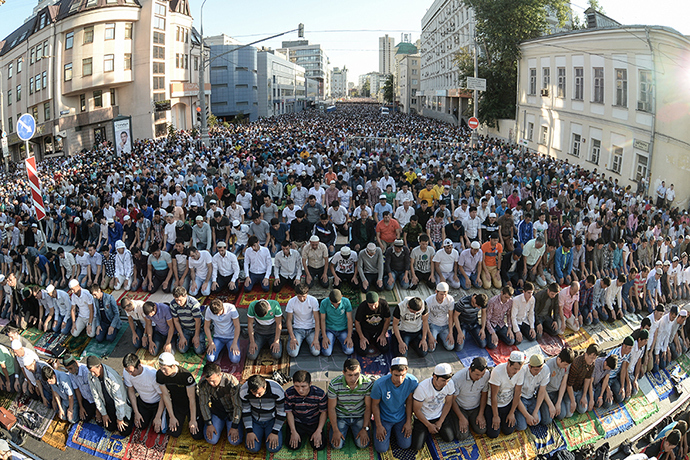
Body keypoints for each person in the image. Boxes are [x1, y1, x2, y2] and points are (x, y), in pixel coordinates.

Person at [371, 357, 418, 453]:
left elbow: (409, 401)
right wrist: (379, 425)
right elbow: (375, 405)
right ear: (390, 371)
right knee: (381, 449)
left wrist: (408, 422)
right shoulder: (380, 384)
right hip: (384, 418)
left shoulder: (412, 381)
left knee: (405, 445)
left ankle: (392, 431)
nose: (400, 379)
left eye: (402, 375)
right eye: (396, 375)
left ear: (406, 371)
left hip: (401, 417)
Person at [327, 358, 373, 449]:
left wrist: (364, 428)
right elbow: (331, 408)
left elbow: (368, 407)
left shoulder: (367, 383)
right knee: (336, 446)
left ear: (360, 371)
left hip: (359, 416)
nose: (353, 378)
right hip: (341, 417)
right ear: (343, 373)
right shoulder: (334, 384)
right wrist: (336, 430)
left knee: (363, 445)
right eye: (350, 375)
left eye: (356, 374)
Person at [411, 363, 456, 451]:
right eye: (443, 380)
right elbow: (416, 410)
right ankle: (428, 430)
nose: (446, 384)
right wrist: (429, 425)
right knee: (417, 447)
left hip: (438, 415)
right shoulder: (422, 388)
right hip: (423, 418)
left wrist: (441, 421)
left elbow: (448, 403)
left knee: (449, 438)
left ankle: (436, 428)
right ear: (435, 377)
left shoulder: (450, 384)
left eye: (447, 380)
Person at [86, 355, 134, 437]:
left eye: (94, 371)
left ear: (100, 367)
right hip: (108, 405)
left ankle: (129, 416)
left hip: (120, 406)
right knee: (108, 426)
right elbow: (96, 396)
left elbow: (120, 400)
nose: (92, 374)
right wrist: (104, 413)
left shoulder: (112, 377)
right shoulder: (91, 376)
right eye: (91, 372)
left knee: (124, 431)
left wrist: (120, 418)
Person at [198, 362, 243, 446]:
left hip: (231, 412)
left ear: (220, 375)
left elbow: (237, 406)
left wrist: (234, 425)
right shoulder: (204, 383)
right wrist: (209, 424)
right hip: (217, 412)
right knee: (212, 440)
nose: (211, 384)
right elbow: (203, 404)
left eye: (213, 381)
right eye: (209, 381)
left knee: (234, 441)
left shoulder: (231, 382)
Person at [240, 374, 286, 453]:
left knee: (273, 448)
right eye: (254, 393)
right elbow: (246, 411)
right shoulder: (244, 391)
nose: (257, 396)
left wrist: (275, 432)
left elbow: (281, 412)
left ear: (265, 386)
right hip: (255, 420)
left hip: (271, 419)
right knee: (252, 448)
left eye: (259, 393)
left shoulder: (277, 390)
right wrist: (249, 431)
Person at [486, 351, 526, 438]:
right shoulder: (497, 372)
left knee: (508, 430)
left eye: (518, 369)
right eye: (514, 369)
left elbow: (517, 393)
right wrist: (495, 416)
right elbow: (494, 396)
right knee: (493, 433)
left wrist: (512, 412)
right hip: (494, 404)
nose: (516, 371)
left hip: (507, 403)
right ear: (508, 363)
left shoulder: (521, 371)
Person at [285, 370, 328, 451]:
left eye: (303, 386)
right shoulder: (289, 393)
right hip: (297, 422)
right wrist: (293, 431)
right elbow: (289, 412)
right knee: (292, 446)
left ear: (310, 384)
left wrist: (319, 430)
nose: (300, 390)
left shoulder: (319, 394)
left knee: (319, 446)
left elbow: (323, 412)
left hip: (314, 422)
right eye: (296, 386)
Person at [122, 353, 165, 433]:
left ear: (139, 366)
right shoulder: (127, 372)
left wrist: (158, 416)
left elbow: (163, 396)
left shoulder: (152, 375)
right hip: (143, 401)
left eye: (131, 371)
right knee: (140, 425)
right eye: (128, 371)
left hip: (157, 403)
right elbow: (131, 391)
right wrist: (136, 412)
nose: (130, 374)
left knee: (159, 429)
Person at [451, 357, 490, 440]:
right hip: (461, 407)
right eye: (477, 374)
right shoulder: (457, 378)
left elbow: (484, 394)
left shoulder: (486, 375)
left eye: (481, 375)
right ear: (470, 370)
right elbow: (452, 400)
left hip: (475, 407)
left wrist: (481, 414)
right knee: (462, 436)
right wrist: (461, 417)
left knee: (481, 430)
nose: (479, 377)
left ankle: (470, 421)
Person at [514, 354, 552, 432]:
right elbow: (516, 395)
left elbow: (542, 391)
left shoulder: (545, 370)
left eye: (540, 369)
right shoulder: (522, 371)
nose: (538, 372)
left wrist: (535, 411)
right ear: (529, 366)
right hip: (520, 398)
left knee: (536, 421)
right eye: (535, 370)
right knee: (522, 426)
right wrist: (527, 416)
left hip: (532, 397)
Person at [285, 283, 321, 358]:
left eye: (303, 296)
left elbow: (317, 320)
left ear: (307, 293)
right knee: (293, 353)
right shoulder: (291, 302)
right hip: (298, 329)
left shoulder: (313, 300)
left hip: (311, 329)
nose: (301, 299)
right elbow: (288, 320)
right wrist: (292, 337)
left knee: (316, 352)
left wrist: (316, 338)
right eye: (299, 296)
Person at [169, 286, 205, 355]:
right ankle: (189, 340)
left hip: (197, 328)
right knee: (182, 349)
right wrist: (182, 336)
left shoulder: (194, 303)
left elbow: (198, 321)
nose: (179, 303)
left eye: (180, 300)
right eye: (176, 300)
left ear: (185, 296)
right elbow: (176, 321)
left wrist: (196, 335)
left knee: (199, 351)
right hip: (185, 328)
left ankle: (193, 340)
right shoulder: (173, 304)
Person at [542, 348, 575, 422]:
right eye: (565, 364)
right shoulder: (548, 366)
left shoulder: (567, 365)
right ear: (559, 359)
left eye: (568, 365)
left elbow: (563, 383)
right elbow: (542, 389)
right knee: (547, 420)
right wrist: (550, 405)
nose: (566, 367)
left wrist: (559, 402)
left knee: (561, 415)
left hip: (556, 392)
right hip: (546, 394)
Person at [354, 291, 391, 356]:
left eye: (375, 304)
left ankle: (374, 341)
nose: (373, 307)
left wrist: (383, 334)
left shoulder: (384, 304)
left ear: (378, 300)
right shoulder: (362, 306)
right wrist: (361, 337)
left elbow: (387, 319)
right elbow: (357, 322)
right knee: (362, 351)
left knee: (384, 349)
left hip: (379, 329)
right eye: (370, 305)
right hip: (366, 329)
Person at [204, 299, 241, 363]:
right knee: (210, 358)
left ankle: (228, 347)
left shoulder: (231, 308)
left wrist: (234, 343)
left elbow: (237, 326)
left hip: (231, 337)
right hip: (218, 337)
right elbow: (206, 326)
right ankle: (222, 347)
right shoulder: (209, 310)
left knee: (235, 359)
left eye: (218, 313)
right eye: (215, 314)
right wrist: (211, 342)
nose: (217, 315)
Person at [63, 355, 98, 422]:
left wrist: (98, 410)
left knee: (102, 422)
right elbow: (77, 390)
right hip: (87, 400)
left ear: (76, 363)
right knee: (84, 418)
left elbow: (96, 391)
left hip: (96, 400)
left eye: (71, 368)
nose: (70, 371)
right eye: (68, 370)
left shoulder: (86, 372)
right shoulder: (72, 375)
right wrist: (81, 407)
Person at [320, 289, 354, 357]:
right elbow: (322, 320)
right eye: (332, 303)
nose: (335, 305)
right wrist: (324, 336)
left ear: (341, 296)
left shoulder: (346, 302)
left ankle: (338, 341)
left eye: (337, 303)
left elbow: (349, 319)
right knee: (326, 352)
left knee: (349, 350)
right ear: (329, 297)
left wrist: (349, 336)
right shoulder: (324, 303)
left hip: (343, 329)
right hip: (330, 329)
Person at [426, 282, 456, 352]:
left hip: (445, 325)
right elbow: (425, 319)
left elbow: (451, 316)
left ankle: (439, 337)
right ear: (436, 292)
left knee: (450, 347)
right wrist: (430, 335)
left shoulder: (450, 299)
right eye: (441, 294)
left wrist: (450, 333)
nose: (443, 297)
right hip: (433, 324)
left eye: (445, 294)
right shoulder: (429, 300)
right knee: (431, 349)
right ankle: (434, 336)